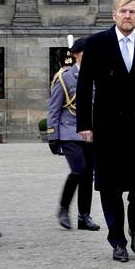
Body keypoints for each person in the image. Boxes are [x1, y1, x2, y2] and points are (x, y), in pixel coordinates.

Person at [77, 0, 135, 263]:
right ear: (114, 15)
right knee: (110, 186)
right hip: (107, 124)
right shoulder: (97, 44)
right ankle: (117, 239)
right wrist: (84, 124)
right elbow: (84, 86)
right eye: (123, 11)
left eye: (133, 12)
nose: (128, 16)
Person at [48, 37, 100, 232]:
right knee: (78, 170)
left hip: (91, 132)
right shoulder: (65, 77)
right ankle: (63, 208)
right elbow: (54, 108)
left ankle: (83, 216)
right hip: (69, 130)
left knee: (88, 175)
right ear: (76, 54)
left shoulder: (98, 75)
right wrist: (52, 136)